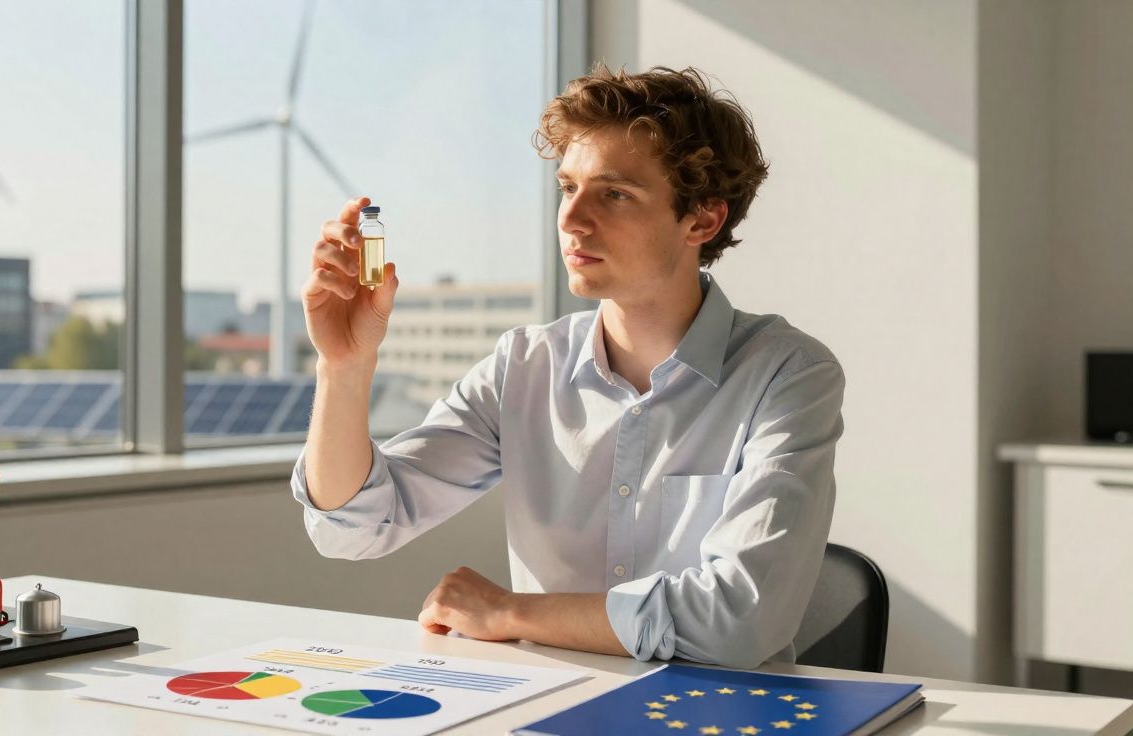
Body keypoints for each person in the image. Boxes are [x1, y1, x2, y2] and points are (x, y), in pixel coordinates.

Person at [290, 65, 845, 668]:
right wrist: (343, 367)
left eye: (615, 193)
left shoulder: (786, 374)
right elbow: (353, 527)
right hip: (546, 706)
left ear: (702, 219)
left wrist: (508, 614)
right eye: (567, 187)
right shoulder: (523, 366)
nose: (572, 219)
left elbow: (739, 621)